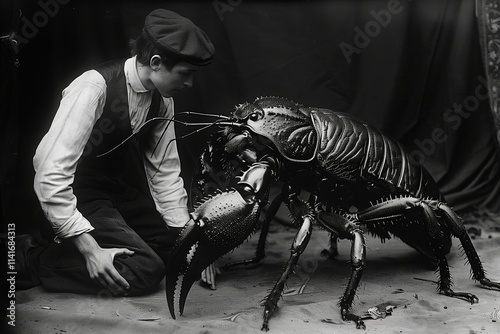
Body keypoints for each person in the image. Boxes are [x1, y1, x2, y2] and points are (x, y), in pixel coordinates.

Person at [17, 8, 215, 296]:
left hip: (119, 196)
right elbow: (49, 175)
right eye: (186, 74)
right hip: (78, 196)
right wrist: (90, 251)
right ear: (157, 62)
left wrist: (189, 241)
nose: (189, 84)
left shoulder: (163, 100)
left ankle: (110, 248)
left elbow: (165, 175)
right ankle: (31, 257)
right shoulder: (93, 87)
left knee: (177, 251)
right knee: (146, 270)